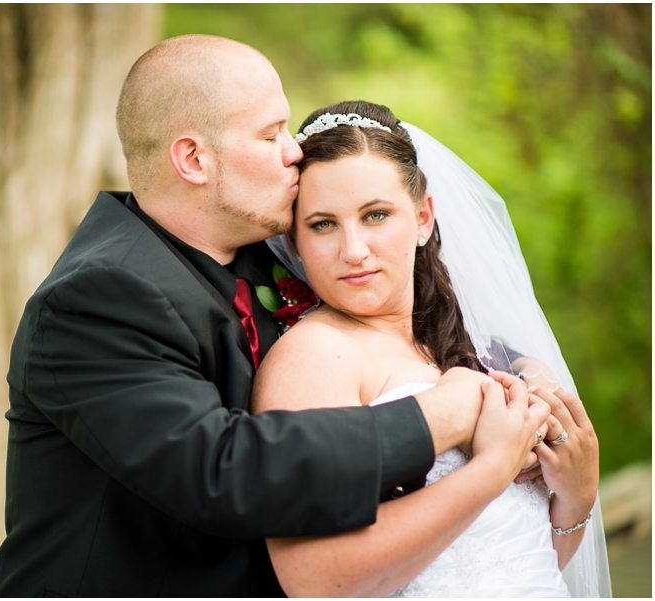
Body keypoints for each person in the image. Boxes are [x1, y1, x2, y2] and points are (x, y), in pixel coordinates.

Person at [0, 35, 548, 597]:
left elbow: (408, 323)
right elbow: (222, 473)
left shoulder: (267, 251)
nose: (293, 152)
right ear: (193, 160)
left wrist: (523, 376)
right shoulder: (96, 300)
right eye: (269, 134)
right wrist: (442, 415)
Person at [256, 100, 610, 596]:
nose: (353, 250)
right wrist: (493, 469)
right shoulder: (314, 355)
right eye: (323, 224)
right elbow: (315, 582)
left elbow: (514, 562)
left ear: (423, 218)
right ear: (294, 241)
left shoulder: (468, 347)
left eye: (376, 215)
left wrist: (578, 496)